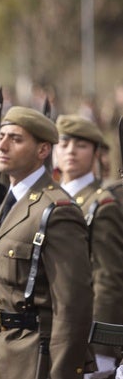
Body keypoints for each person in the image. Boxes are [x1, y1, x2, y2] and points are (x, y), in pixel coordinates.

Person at [0, 106, 93, 378]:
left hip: (35, 357)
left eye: (15, 138)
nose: (1, 145)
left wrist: (63, 372)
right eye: (0, 136)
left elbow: (73, 305)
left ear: (42, 151)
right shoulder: (5, 206)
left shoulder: (57, 210)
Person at [55, 114, 123, 377]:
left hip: (86, 335)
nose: (71, 151)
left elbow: (108, 281)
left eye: (81, 145)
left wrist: (104, 349)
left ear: (96, 153)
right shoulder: (50, 199)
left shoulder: (101, 204)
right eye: (64, 143)